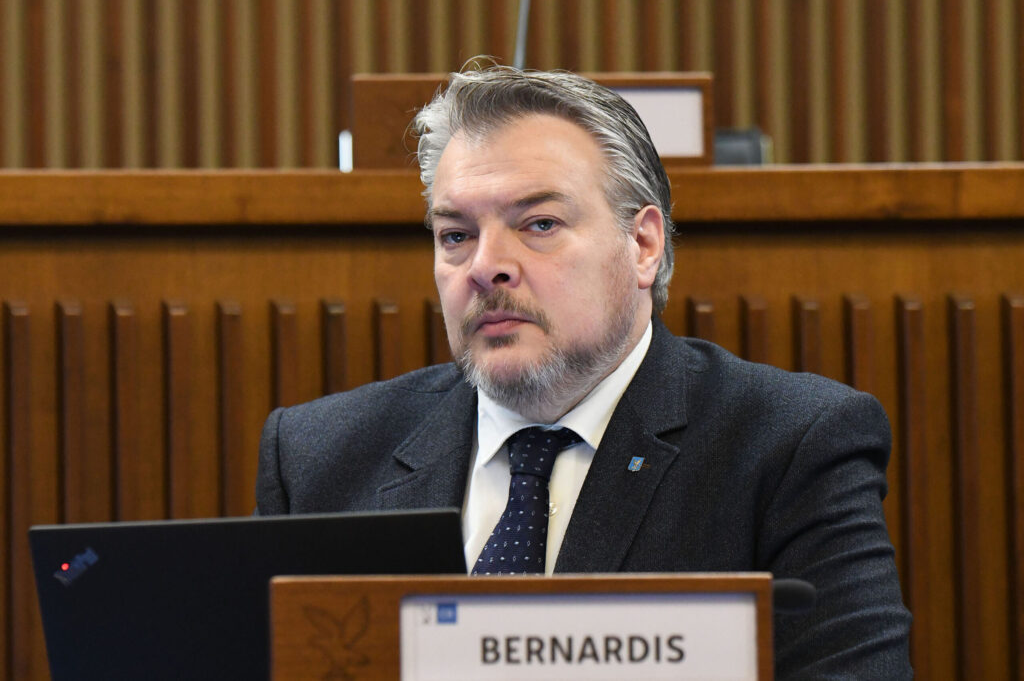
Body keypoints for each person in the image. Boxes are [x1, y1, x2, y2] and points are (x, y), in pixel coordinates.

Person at [256, 64, 912, 678]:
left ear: (643, 245)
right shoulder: (318, 458)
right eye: (456, 234)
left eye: (539, 224)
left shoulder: (788, 447)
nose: (485, 266)